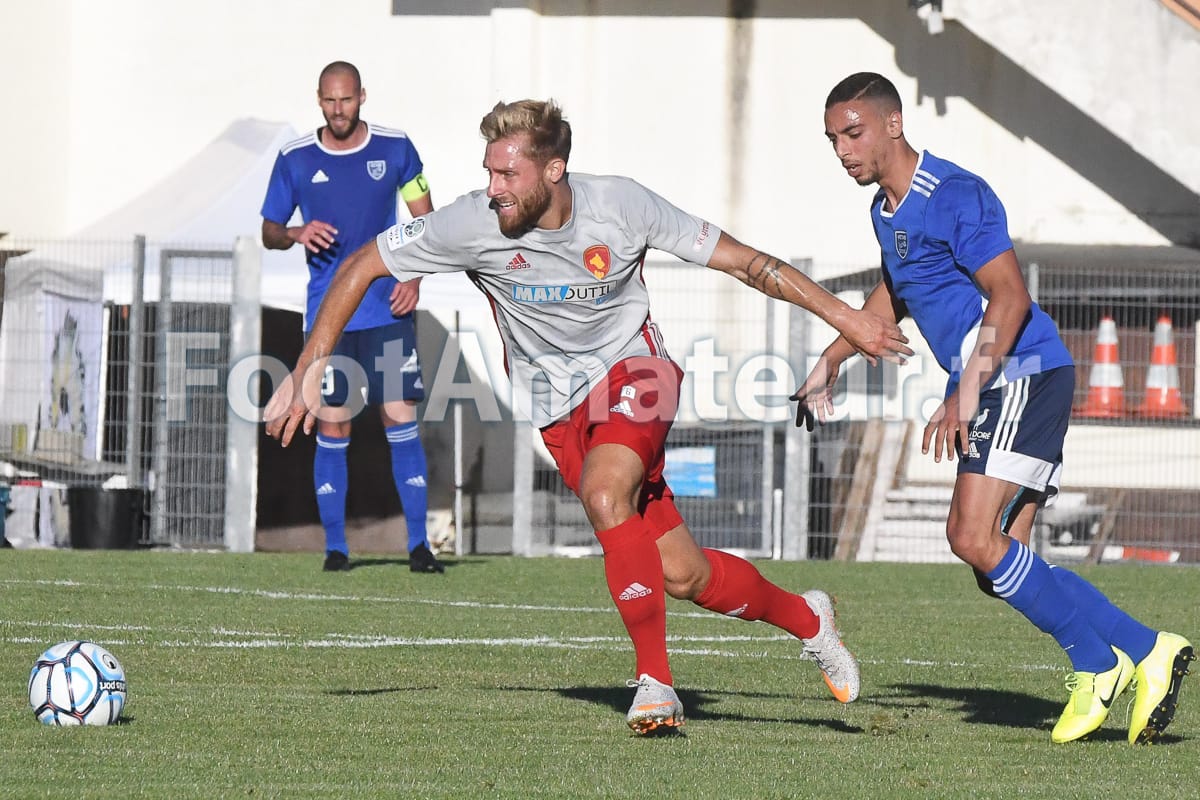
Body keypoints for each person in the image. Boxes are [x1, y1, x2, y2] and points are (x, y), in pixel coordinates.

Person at [265, 98, 913, 734]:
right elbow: (361, 265)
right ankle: (808, 619)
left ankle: (655, 683)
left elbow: (748, 263)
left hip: (638, 374)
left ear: (553, 170)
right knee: (683, 574)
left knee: (606, 493)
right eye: (489, 172)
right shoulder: (471, 221)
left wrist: (848, 317)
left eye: (507, 174)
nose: (494, 189)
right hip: (557, 410)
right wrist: (309, 366)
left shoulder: (621, 206)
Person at [795, 71, 1194, 744]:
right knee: (996, 561)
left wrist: (963, 392)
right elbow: (897, 292)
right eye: (833, 139)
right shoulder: (884, 212)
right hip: (1004, 383)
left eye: (853, 133)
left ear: (893, 124)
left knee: (971, 538)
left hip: (1022, 374)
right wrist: (833, 357)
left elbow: (1010, 299)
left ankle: (1102, 662)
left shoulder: (953, 194)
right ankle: (1146, 651)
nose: (842, 150)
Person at [261, 61, 443, 574]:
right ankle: (336, 549)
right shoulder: (295, 159)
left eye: (346, 99)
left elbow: (425, 221)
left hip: (386, 312)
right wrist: (295, 233)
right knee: (333, 424)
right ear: (318, 100)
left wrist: (414, 277)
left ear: (362, 96)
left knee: (399, 418)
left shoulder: (395, 148)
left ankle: (418, 546)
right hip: (328, 322)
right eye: (329, 101)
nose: (338, 110)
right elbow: (269, 230)